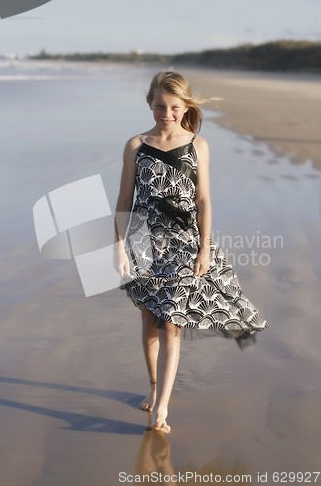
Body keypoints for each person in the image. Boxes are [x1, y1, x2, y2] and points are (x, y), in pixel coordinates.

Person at [113, 71, 269, 434]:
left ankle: (162, 409)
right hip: (143, 242)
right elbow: (123, 199)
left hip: (185, 243)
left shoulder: (198, 145)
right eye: (159, 106)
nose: (165, 113)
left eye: (173, 107)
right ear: (150, 103)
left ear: (185, 108)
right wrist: (118, 247)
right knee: (149, 322)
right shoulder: (135, 145)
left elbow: (203, 200)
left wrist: (204, 249)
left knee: (172, 323)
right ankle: (153, 387)